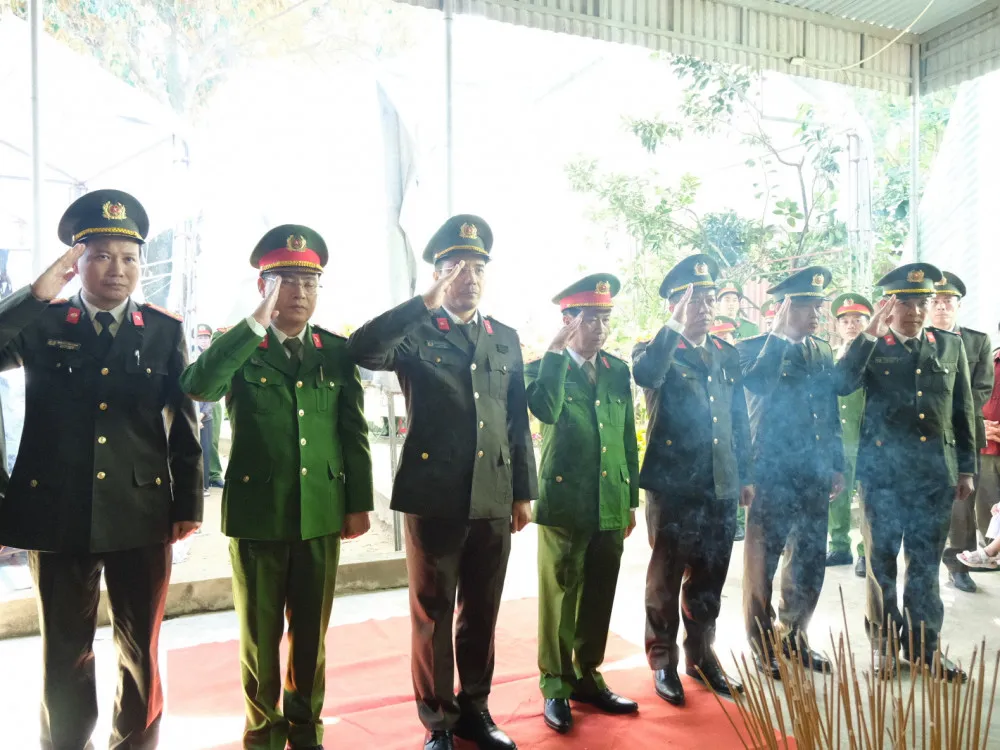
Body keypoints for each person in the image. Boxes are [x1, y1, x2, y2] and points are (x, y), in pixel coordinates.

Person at [0, 189, 202, 749]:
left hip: (141, 513)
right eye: (102, 255)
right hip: (57, 512)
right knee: (65, 649)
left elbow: (183, 421)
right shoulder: (41, 323)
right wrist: (37, 293)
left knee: (142, 650)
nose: (118, 269)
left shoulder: (163, 330)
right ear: (76, 262)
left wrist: (187, 505)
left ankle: (134, 743)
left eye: (130, 257)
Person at [346, 215, 537, 750]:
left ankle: (476, 709)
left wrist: (523, 491)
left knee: (482, 610)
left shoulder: (505, 339)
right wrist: (421, 304)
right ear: (436, 275)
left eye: (477, 267)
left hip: (494, 497)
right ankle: (439, 723)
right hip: (433, 498)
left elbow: (517, 420)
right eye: (456, 267)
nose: (469, 277)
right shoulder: (416, 332)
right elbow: (361, 350)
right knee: (433, 615)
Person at [180, 225, 373, 750]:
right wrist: (253, 325)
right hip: (259, 515)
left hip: (320, 514)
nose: (301, 293)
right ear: (263, 287)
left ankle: (307, 729)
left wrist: (359, 504)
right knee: (261, 638)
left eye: (311, 282)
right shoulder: (242, 347)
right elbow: (199, 386)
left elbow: (352, 432)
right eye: (287, 281)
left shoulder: (334, 352)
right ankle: (263, 731)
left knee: (311, 635)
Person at [838, 263, 975, 681]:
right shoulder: (872, 346)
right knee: (881, 566)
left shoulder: (949, 346)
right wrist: (867, 336)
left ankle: (924, 648)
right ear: (888, 306)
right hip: (883, 477)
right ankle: (883, 645)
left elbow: (962, 411)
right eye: (905, 302)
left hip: (935, 476)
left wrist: (966, 469)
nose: (915, 311)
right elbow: (840, 384)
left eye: (922, 302)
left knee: (924, 565)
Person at [633, 254, 752, 707]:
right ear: (670, 305)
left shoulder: (726, 353)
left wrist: (746, 475)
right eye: (690, 297)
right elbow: (647, 376)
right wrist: (675, 327)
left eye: (706, 296)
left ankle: (701, 657)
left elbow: (739, 419)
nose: (702, 304)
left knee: (710, 579)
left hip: (720, 485)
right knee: (665, 579)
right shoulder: (654, 349)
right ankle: (661, 661)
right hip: (675, 487)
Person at [524, 273, 639, 734]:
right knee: (561, 594)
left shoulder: (616, 370)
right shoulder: (543, 368)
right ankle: (555, 685)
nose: (601, 329)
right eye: (591, 319)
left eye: (606, 319)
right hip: (566, 500)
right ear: (568, 321)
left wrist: (630, 499)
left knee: (599, 592)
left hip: (610, 499)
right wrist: (553, 353)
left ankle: (588, 674)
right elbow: (546, 411)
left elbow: (626, 436)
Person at [737, 267, 843, 679]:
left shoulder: (821, 350)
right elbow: (758, 387)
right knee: (762, 564)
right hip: (770, 472)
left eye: (819, 306)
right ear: (784, 308)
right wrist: (780, 338)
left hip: (814, 471)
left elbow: (829, 410)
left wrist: (836, 464)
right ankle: (762, 645)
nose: (817, 314)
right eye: (807, 307)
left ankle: (793, 634)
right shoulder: (752, 349)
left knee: (809, 560)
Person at [931, 272, 994, 594]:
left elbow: (982, 388)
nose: (942, 307)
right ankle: (925, 565)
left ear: (958, 305)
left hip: (965, 436)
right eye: (936, 301)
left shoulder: (977, 340)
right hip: (926, 438)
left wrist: (951, 412)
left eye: (948, 302)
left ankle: (959, 567)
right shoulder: (918, 340)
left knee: (962, 508)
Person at [825, 293, 873, 576]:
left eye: (858, 320)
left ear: (868, 323)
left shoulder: (875, 357)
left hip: (865, 439)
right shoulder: (829, 356)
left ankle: (865, 552)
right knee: (837, 495)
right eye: (845, 320)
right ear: (838, 326)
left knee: (867, 498)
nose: (851, 325)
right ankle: (839, 544)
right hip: (838, 439)